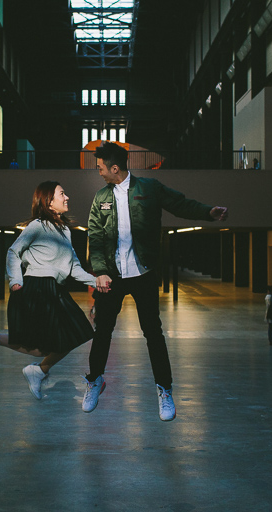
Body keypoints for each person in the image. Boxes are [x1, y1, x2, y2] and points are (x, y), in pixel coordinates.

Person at [83, 141, 228, 421]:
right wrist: (99, 270)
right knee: (102, 332)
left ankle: (165, 390)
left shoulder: (149, 188)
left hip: (143, 273)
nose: (98, 172)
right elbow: (96, 237)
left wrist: (207, 212)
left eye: (101, 168)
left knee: (153, 333)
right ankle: (94, 380)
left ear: (115, 168)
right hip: (112, 275)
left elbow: (180, 204)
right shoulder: (101, 197)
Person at [0, 181, 106, 400]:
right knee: (44, 344)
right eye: (62, 194)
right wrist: (15, 280)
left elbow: (73, 268)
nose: (67, 197)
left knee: (72, 336)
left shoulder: (65, 231)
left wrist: (95, 281)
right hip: (37, 287)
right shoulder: (38, 226)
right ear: (48, 202)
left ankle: (36, 369)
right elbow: (13, 252)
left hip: (55, 289)